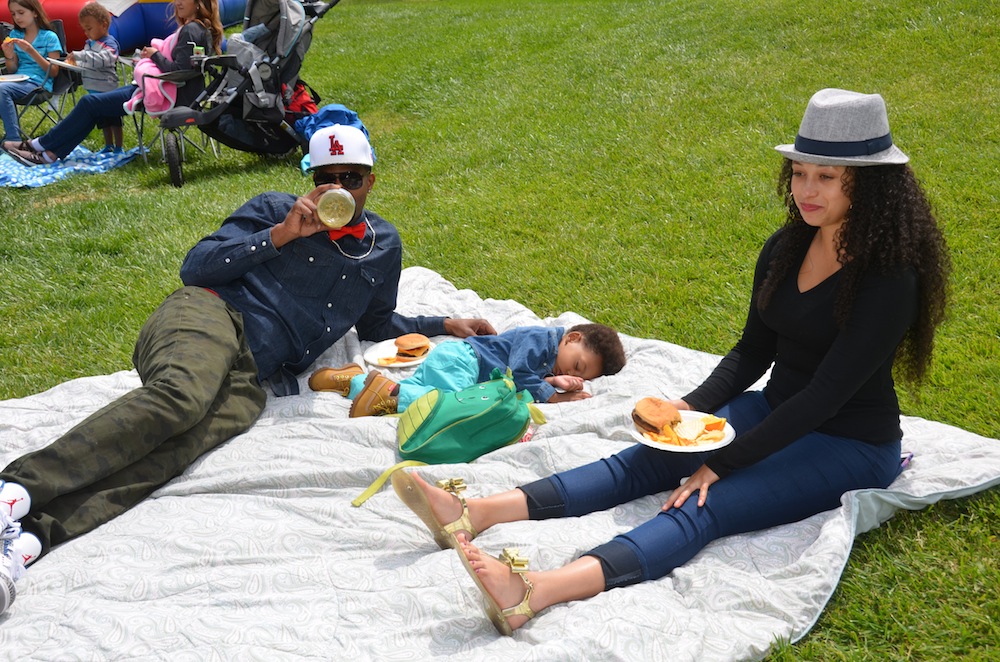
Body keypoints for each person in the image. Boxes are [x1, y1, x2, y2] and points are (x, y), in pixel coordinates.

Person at [391, 88, 951, 636]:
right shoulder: (787, 247)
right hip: (775, 408)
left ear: (869, 183)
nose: (806, 189)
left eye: (826, 177)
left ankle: (534, 592)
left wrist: (724, 460)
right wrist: (686, 408)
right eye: (800, 172)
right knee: (647, 459)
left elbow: (825, 396)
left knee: (704, 501)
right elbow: (753, 351)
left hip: (850, 443)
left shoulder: (889, 279)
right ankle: (475, 512)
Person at [0, 123, 496, 616]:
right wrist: (281, 235)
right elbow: (195, 267)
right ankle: (14, 490)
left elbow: (376, 322)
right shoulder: (274, 209)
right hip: (209, 313)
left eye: (351, 178)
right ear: (312, 180)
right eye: (327, 178)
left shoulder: (382, 245)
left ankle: (29, 539)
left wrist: (442, 323)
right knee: (182, 397)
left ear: (371, 180)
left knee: (181, 446)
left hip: (256, 373)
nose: (339, 189)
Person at [1, 0, 221, 166]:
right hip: (161, 87)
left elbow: (179, 71)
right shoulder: (197, 28)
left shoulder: (191, 30)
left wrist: (154, 55)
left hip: (169, 93)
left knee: (89, 104)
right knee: (92, 105)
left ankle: (37, 146)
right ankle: (48, 154)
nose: (177, 3)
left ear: (198, 2)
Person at [310, 323, 626, 417]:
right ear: (572, 338)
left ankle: (354, 381)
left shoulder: (549, 360)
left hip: (452, 363)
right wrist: (554, 394)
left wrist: (554, 379)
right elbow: (517, 373)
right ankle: (387, 392)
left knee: (420, 395)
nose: (571, 371)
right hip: (463, 360)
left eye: (580, 376)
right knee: (449, 406)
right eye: (577, 365)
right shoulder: (540, 340)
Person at [65, 1, 122, 153]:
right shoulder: (89, 44)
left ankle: (119, 147)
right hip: (93, 89)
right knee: (103, 121)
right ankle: (108, 145)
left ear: (104, 25)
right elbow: (88, 63)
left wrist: (80, 55)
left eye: (89, 28)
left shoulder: (109, 44)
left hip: (108, 90)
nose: (86, 33)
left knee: (114, 120)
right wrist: (75, 64)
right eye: (84, 30)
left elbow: (103, 60)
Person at [0, 0, 61, 143]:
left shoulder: (49, 37)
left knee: (1, 90)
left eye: (21, 12)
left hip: (39, 84)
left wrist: (31, 51)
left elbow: (53, 72)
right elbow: (13, 69)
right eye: (13, 14)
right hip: (17, 81)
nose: (17, 17)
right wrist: (9, 56)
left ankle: (14, 140)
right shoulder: (15, 35)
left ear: (35, 12)